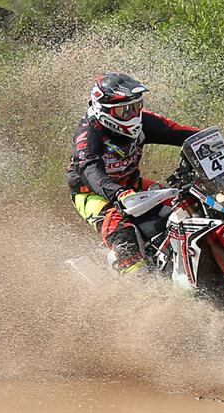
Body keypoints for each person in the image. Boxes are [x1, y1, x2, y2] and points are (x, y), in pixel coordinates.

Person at [66, 72, 200, 275]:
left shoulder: (143, 121)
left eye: (137, 106)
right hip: (92, 193)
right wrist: (118, 193)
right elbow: (90, 170)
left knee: (186, 203)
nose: (133, 114)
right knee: (120, 228)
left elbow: (179, 132)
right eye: (125, 110)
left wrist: (218, 142)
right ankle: (140, 287)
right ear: (105, 111)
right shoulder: (88, 134)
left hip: (132, 183)